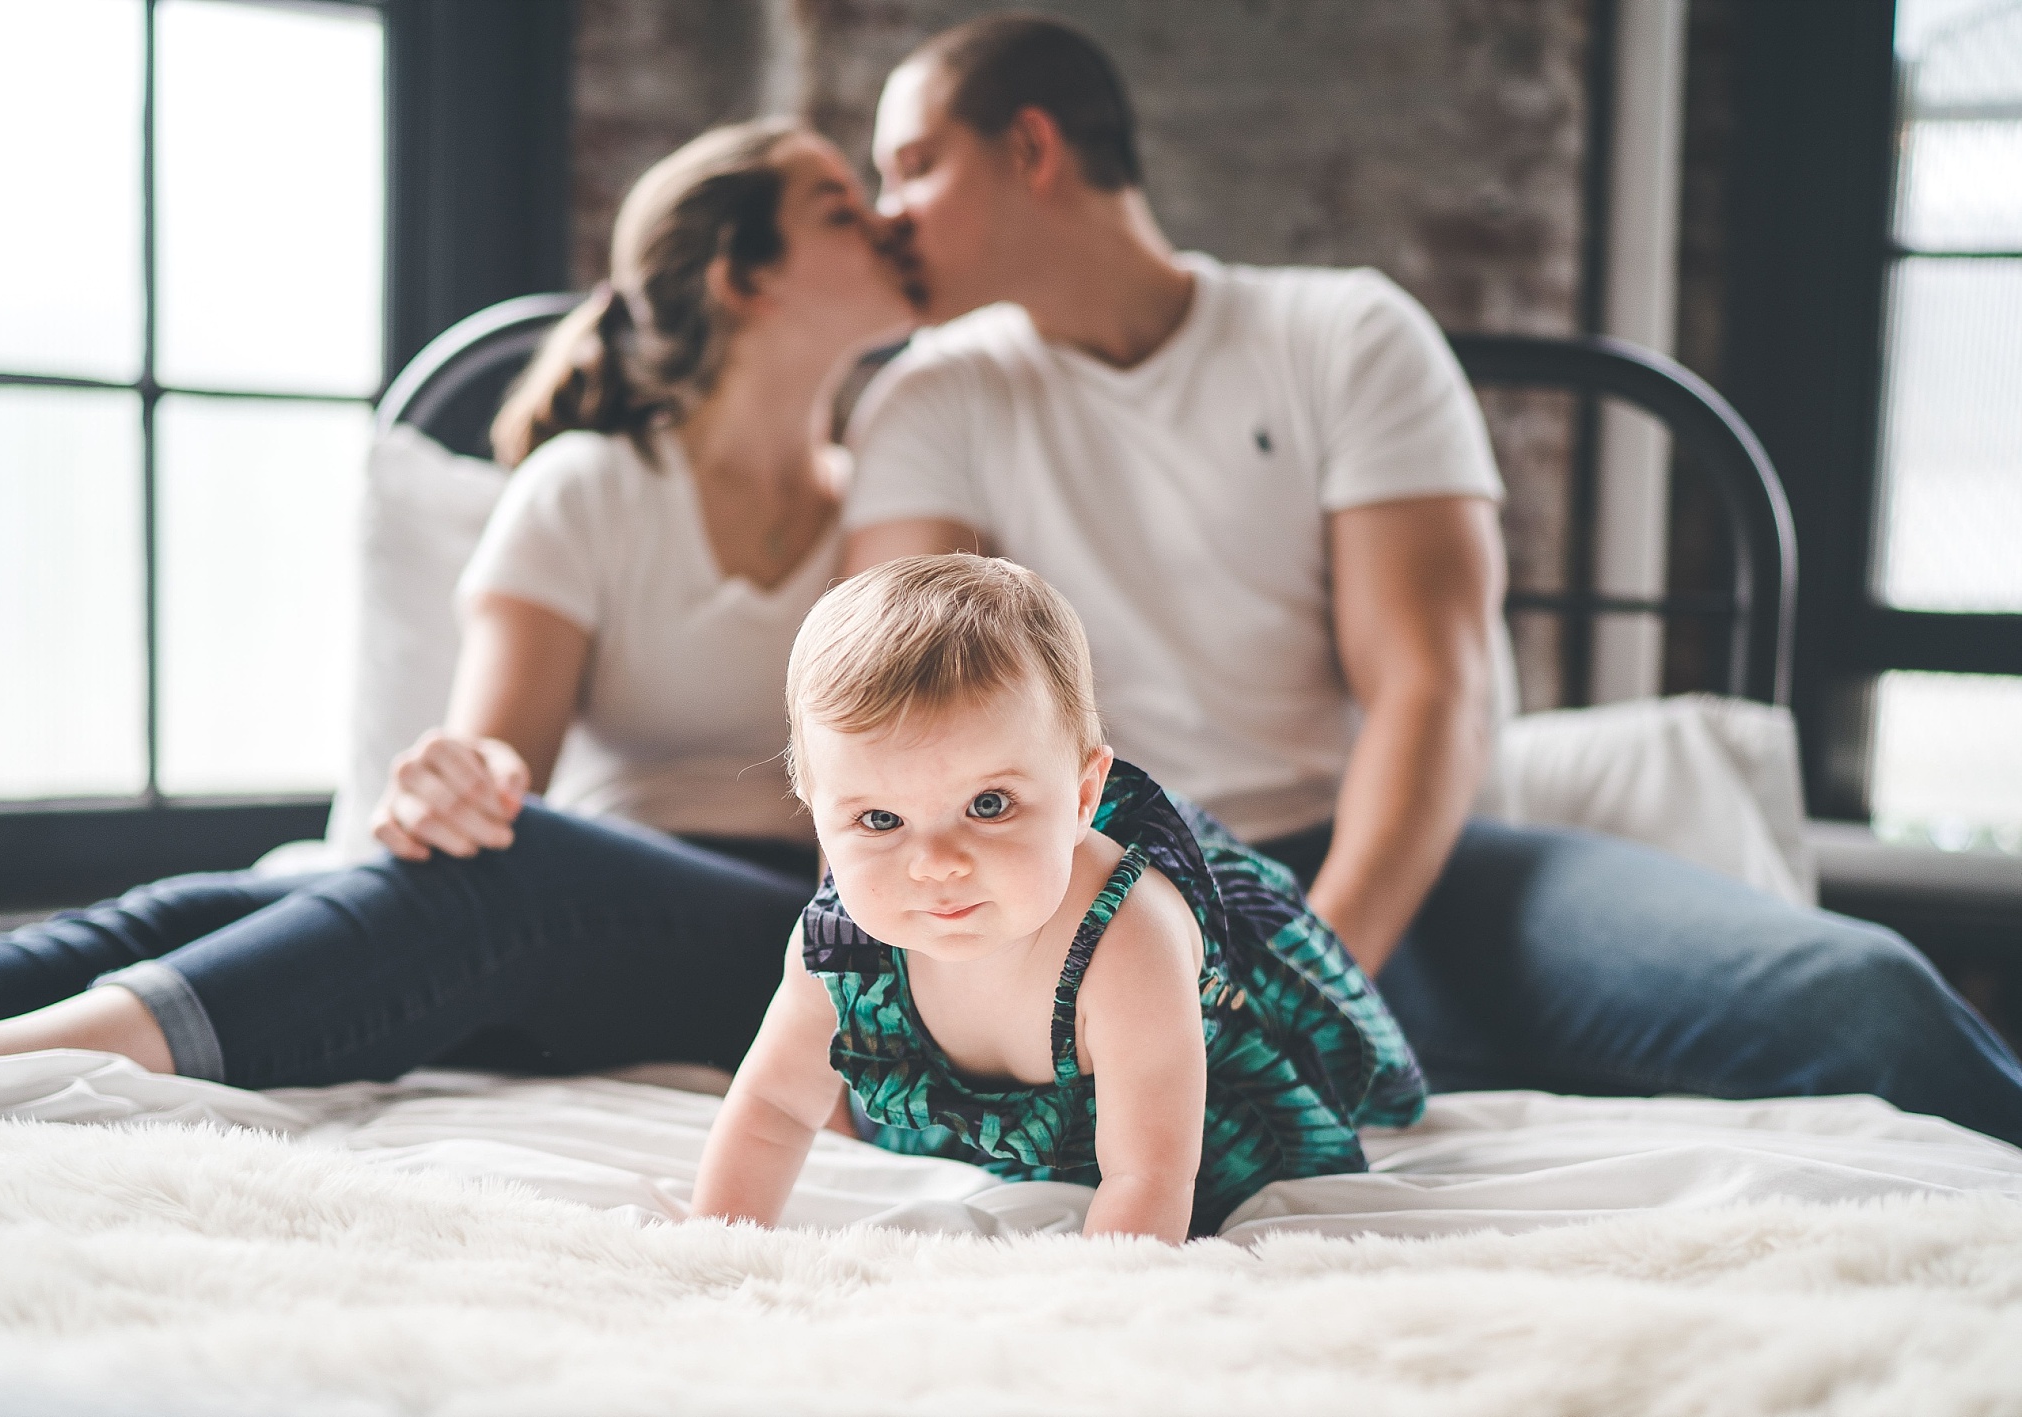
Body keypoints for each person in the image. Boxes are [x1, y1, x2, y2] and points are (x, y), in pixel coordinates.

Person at [838, 14, 2022, 1143]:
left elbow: (1430, 690)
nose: (887, 218)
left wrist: (1308, 982)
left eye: (914, 167)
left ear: (1031, 146)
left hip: (1397, 869)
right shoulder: (931, 402)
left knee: (1860, 993)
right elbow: (894, 727)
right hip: (1081, 891)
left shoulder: (1342, 335)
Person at [0, 119, 914, 1091]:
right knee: (201, 906)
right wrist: (455, 783)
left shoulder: (893, 508)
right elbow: (500, 765)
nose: (883, 223)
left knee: (512, 868)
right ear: (746, 278)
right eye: (839, 208)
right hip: (584, 884)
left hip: (784, 924)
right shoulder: (593, 489)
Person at [690, 555, 1424, 1241]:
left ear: (1081, 799)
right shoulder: (838, 946)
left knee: (1201, 1165)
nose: (937, 864)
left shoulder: (1128, 939)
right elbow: (774, 1106)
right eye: (880, 819)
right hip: (1015, 1102)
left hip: (1190, 1106)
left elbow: (1150, 1171)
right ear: (814, 811)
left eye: (988, 805)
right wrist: (714, 1248)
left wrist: (1089, 1307)